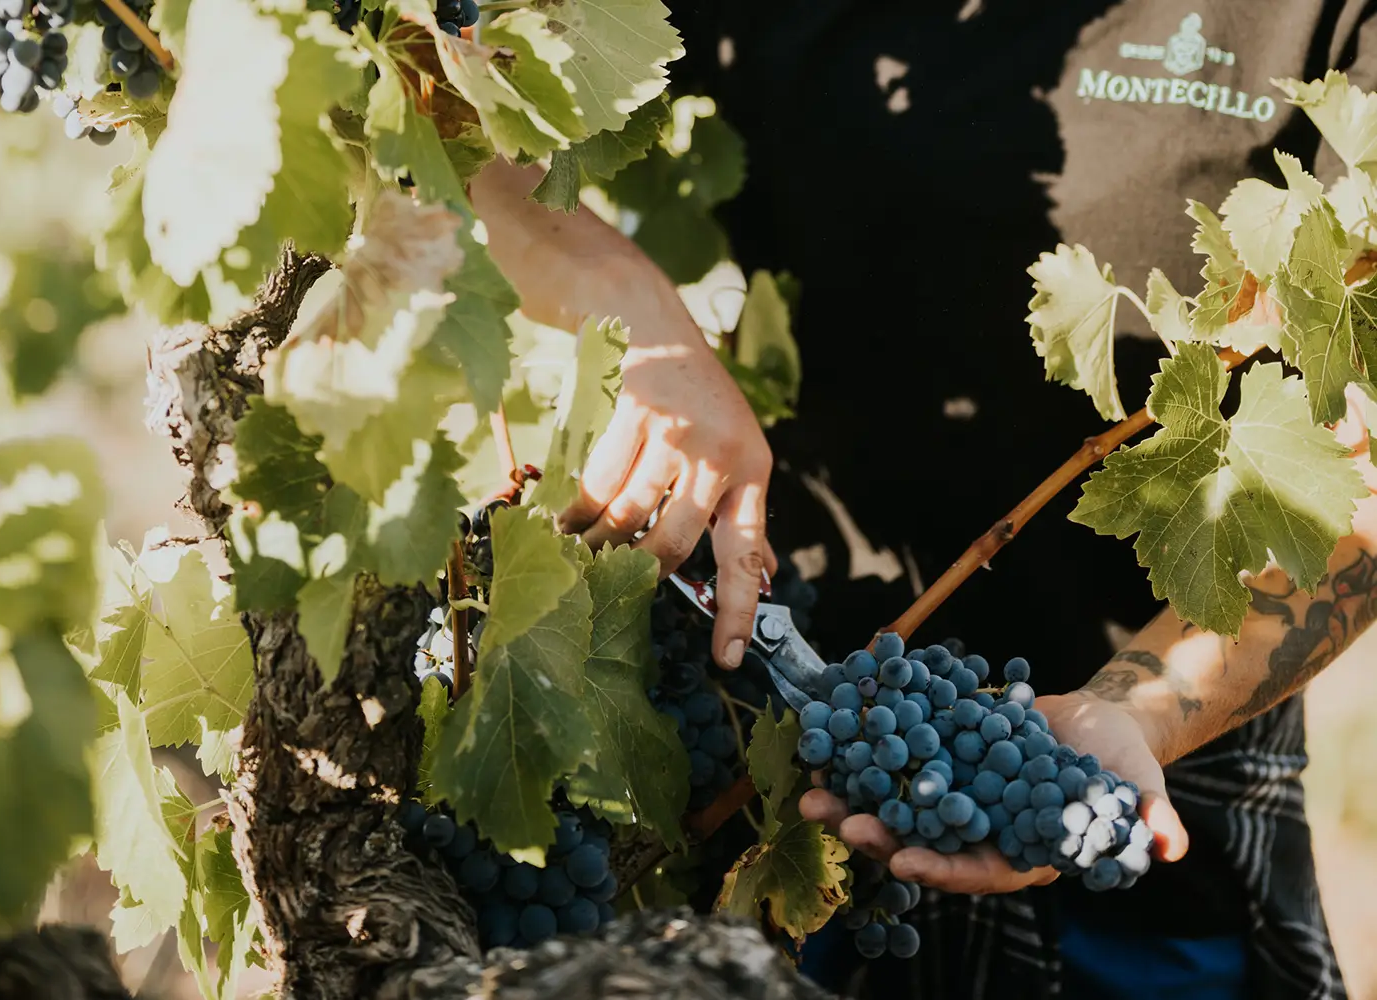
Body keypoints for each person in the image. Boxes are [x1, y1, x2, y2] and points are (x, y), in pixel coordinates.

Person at [470, 3, 1377, 997]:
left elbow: (1362, 483)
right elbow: (456, 107)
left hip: (1157, 788)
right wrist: (641, 317)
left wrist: (1148, 707)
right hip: (772, 771)